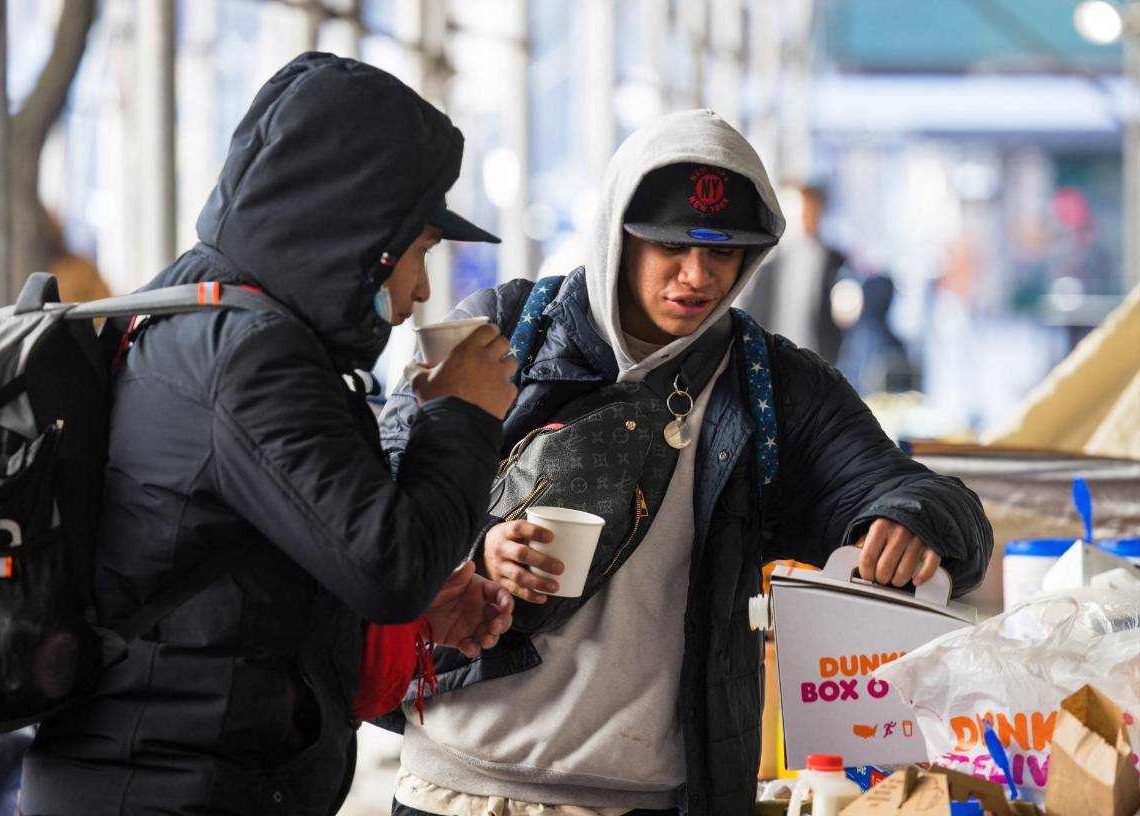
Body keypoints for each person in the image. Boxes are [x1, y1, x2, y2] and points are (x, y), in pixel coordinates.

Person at [378, 109, 993, 815]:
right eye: (669, 245)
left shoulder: (776, 389)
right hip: (455, 790)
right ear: (618, 234)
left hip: (650, 800)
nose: (696, 275)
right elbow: (377, 515)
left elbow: (933, 503)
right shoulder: (499, 332)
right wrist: (478, 549)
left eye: (724, 252)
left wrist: (911, 521)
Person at [21, 53, 519, 815]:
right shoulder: (247, 355)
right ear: (363, 235)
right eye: (419, 252)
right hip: (165, 790)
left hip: (158, 776)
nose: (420, 291)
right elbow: (390, 565)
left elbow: (250, 573)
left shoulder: (196, 309)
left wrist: (413, 618)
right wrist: (462, 412)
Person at [740, 184, 845, 364]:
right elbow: (755, 311)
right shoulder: (769, 264)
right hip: (774, 360)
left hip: (821, 361)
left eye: (811, 210)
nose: (806, 217)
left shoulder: (836, 263)